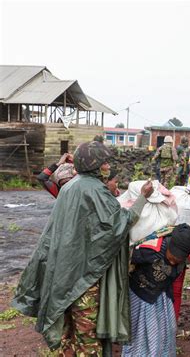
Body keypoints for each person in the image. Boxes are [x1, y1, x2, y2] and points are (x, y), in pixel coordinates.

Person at [12, 141, 154, 355]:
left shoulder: (70, 186)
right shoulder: (95, 190)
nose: (108, 166)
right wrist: (143, 198)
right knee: (87, 336)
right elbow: (120, 223)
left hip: (63, 273)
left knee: (68, 333)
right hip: (82, 278)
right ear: (95, 165)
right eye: (104, 162)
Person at [122, 223, 190, 356]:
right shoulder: (150, 250)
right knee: (141, 336)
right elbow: (124, 261)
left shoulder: (188, 250)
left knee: (165, 333)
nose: (172, 263)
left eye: (177, 261)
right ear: (170, 246)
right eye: (172, 258)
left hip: (162, 296)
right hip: (140, 296)